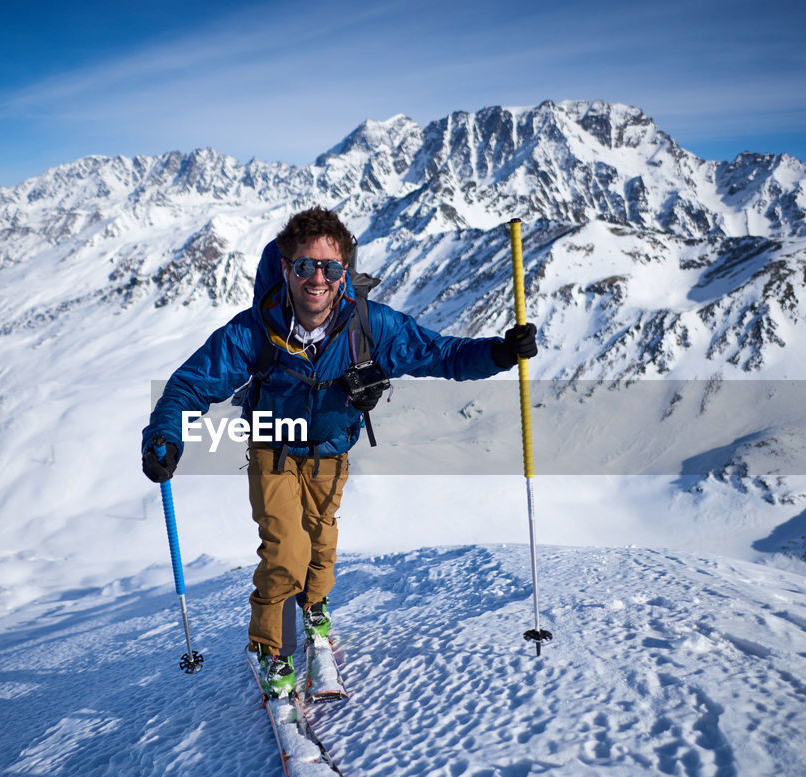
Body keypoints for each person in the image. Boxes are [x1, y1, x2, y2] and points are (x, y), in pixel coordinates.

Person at [142, 207, 536, 696]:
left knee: (321, 546)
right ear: (286, 268)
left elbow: (443, 354)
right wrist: (165, 435)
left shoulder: (370, 326)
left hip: (332, 450)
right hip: (274, 448)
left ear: (344, 272)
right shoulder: (253, 331)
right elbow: (189, 386)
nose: (317, 278)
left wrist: (499, 353)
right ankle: (273, 651)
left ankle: (314, 609)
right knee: (286, 553)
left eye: (329, 267)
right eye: (305, 266)